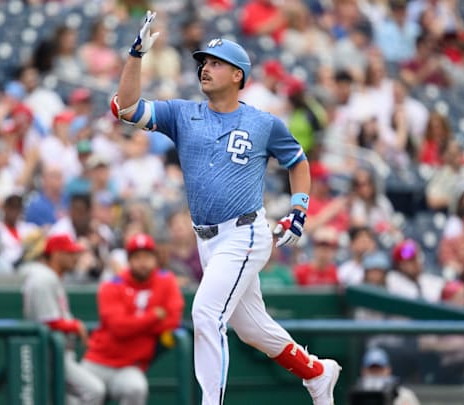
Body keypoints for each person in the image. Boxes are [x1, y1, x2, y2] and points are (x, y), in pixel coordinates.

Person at [113, 12, 340, 405]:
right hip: (208, 240)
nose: (206, 68)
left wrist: (299, 209)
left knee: (205, 313)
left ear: (238, 75)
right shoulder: (184, 113)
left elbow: (298, 161)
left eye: (216, 63)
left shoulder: (262, 123)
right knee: (252, 330)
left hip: (245, 232)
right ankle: (317, 373)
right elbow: (126, 108)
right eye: (204, 62)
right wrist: (136, 55)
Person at [81, 233, 184, 405]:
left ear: (155, 259)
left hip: (130, 366)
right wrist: (153, 316)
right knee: (79, 390)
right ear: (129, 260)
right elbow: (118, 327)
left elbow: (173, 320)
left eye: (147, 256)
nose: (143, 262)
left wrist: (133, 323)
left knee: (136, 388)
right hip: (98, 360)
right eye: (137, 257)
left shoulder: (166, 281)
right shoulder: (112, 285)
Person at [21, 234, 102, 405]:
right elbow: (48, 322)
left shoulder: (50, 276)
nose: (75, 258)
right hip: (50, 353)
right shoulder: (43, 278)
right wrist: (75, 326)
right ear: (57, 254)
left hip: (58, 353)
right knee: (95, 390)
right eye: (70, 253)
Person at [351, 347, 421, 405]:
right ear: (363, 371)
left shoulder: (404, 395)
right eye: (372, 370)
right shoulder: (358, 395)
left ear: (388, 370)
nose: (376, 374)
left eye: (379, 370)